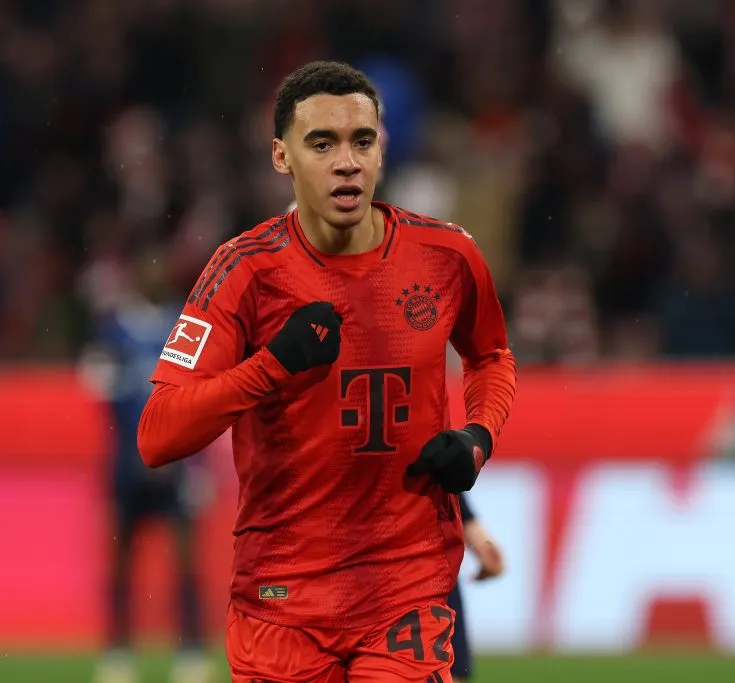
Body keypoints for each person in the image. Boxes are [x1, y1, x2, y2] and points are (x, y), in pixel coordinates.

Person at [138, 61, 517, 682]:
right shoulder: (243, 273)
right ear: (282, 158)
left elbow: (491, 357)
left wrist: (478, 438)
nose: (347, 162)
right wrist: (271, 367)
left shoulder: (448, 256)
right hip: (281, 602)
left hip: (407, 591)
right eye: (323, 144)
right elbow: (157, 435)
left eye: (362, 141)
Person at [85, 244, 213, 683]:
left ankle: (192, 649)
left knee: (186, 560)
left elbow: (199, 398)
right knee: (121, 561)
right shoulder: (113, 328)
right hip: (128, 466)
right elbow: (104, 398)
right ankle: (118, 650)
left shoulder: (186, 323)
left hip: (177, 465)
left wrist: (194, 466)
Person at [448, 494, 505, 682]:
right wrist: (483, 546)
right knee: (447, 671)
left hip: (371, 578)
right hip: (434, 578)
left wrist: (483, 546)